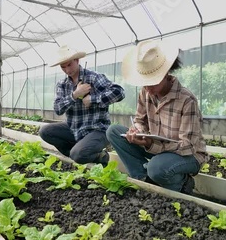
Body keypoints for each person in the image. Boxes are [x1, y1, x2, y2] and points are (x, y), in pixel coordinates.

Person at [106, 40, 209, 194]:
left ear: (166, 73)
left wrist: (150, 144)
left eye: (152, 82)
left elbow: (188, 146)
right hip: (158, 149)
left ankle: (182, 186)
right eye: (144, 83)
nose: (148, 88)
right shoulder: (146, 92)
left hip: (187, 155)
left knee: (156, 167)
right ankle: (144, 181)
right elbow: (140, 120)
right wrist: (138, 132)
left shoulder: (187, 100)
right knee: (113, 131)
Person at [39, 45, 125, 166]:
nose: (67, 70)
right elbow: (58, 109)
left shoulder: (93, 77)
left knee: (77, 154)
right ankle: (93, 155)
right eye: (63, 67)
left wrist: (93, 99)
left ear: (77, 60)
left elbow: (119, 92)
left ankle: (89, 154)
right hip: (74, 127)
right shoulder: (62, 85)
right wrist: (75, 95)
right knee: (45, 131)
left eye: (69, 65)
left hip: (98, 129)